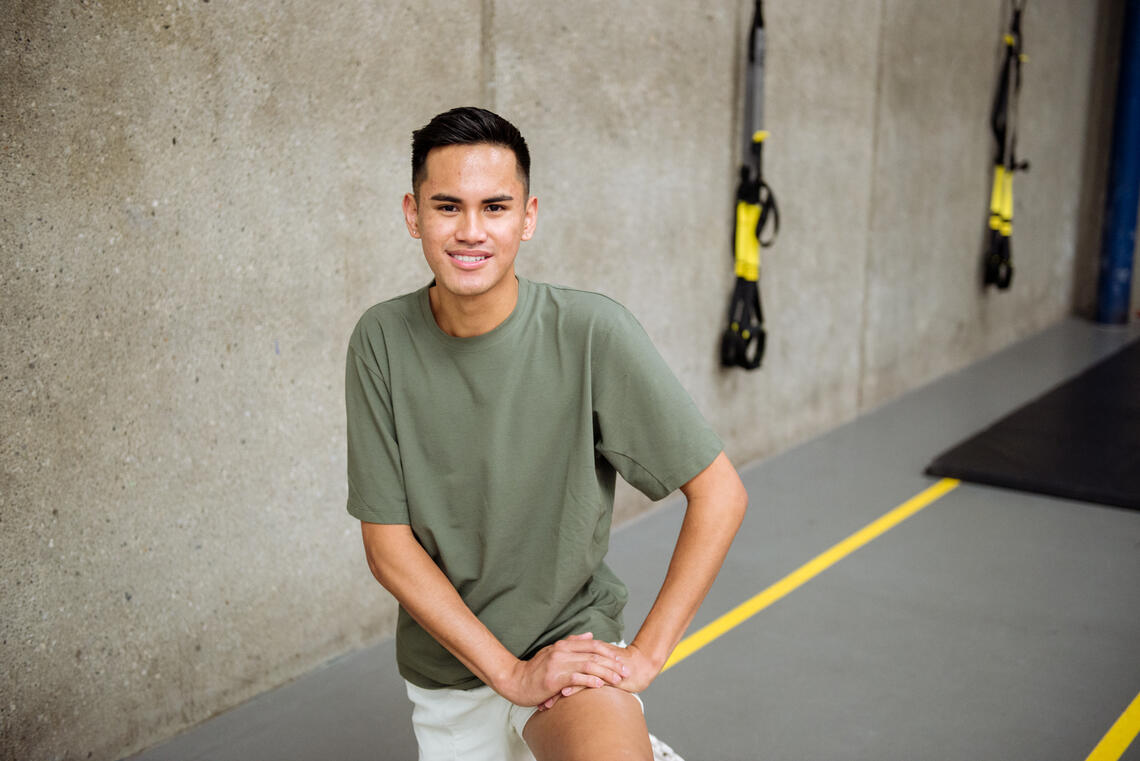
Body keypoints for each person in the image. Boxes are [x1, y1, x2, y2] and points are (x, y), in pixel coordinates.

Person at [345, 106, 748, 761]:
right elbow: (388, 546)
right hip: (453, 670)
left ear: (528, 217)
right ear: (413, 214)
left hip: (569, 642)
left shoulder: (591, 333)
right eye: (447, 207)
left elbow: (721, 493)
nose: (471, 230)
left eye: (495, 207)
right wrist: (509, 673)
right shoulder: (381, 340)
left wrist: (645, 655)